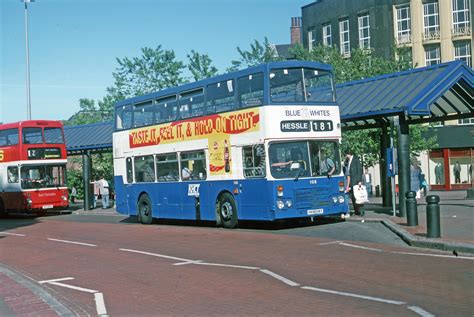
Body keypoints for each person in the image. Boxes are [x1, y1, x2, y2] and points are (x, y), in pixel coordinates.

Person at [344, 149, 364, 216]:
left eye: (346, 154)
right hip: (351, 182)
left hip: (356, 181)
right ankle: (356, 211)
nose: (346, 156)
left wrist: (359, 181)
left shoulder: (356, 160)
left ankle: (361, 211)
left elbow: (359, 170)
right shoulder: (348, 161)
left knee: (358, 197)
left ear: (349, 154)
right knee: (353, 197)